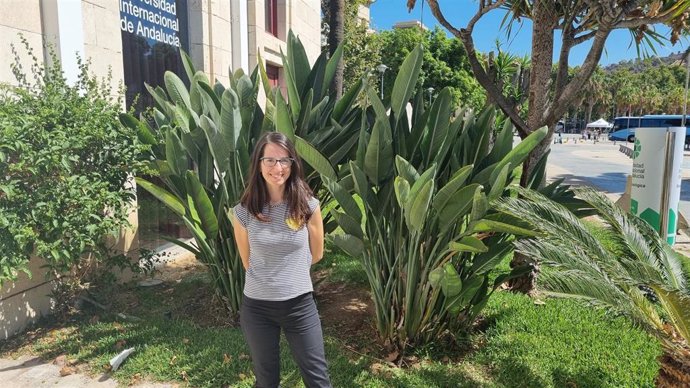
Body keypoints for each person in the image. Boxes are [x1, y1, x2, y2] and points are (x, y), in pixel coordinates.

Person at [232, 131, 331, 388]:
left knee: (318, 379)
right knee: (266, 381)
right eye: (270, 161)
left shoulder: (308, 206)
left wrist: (290, 275)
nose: (278, 168)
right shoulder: (243, 212)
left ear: (293, 164)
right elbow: (247, 260)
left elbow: (317, 254)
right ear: (259, 164)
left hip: (299, 305)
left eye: (285, 160)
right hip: (257, 308)